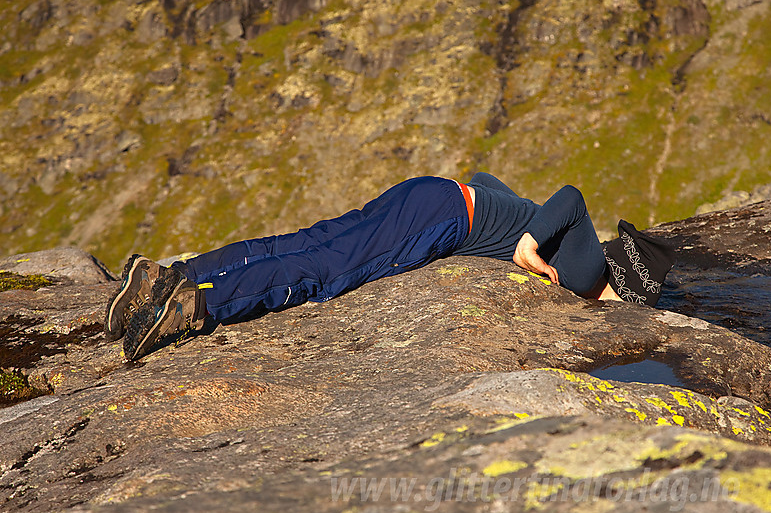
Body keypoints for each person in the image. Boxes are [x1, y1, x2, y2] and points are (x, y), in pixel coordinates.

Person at [105, 173, 675, 360]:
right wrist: (527, 244)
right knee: (325, 270)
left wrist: (510, 227)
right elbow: (572, 197)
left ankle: (173, 274)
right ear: (628, 292)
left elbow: (487, 181)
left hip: (432, 193)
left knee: (308, 241)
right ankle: (193, 304)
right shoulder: (585, 276)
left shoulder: (568, 248)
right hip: (439, 218)